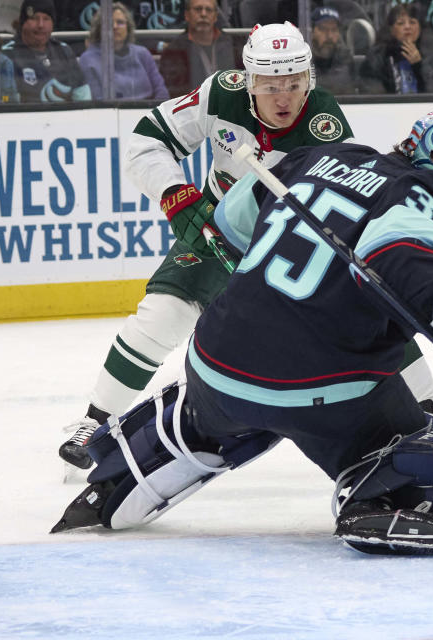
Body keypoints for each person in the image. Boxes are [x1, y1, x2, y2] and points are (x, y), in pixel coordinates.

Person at [51, 102, 433, 556]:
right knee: (428, 448)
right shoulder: (422, 195)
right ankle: (382, 493)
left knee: (209, 407)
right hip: (323, 397)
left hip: (215, 366)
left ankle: (135, 462)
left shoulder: (319, 156)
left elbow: (230, 226)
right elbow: (403, 256)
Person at [56, 21, 354, 472]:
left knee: (353, 322)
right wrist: (178, 196)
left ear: (308, 80)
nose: (283, 98)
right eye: (271, 85)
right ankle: (97, 420)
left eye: (294, 85)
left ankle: (426, 410)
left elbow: (344, 205)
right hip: (216, 230)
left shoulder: (325, 126)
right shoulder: (222, 94)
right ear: (249, 80)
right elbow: (147, 140)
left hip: (284, 248)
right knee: (161, 316)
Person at [1, 0, 92, 102]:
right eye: (34, 18)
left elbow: (82, 94)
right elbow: (6, 100)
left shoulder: (64, 50)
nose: (40, 25)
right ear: (23, 23)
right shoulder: (7, 54)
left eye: (46, 19)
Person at [78, 3, 170, 100]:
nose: (115, 26)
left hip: (149, 110)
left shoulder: (143, 53)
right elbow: (98, 102)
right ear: (99, 29)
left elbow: (161, 91)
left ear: (128, 27)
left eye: (120, 22)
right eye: (109, 23)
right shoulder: (88, 59)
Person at [359, 1, 433, 94]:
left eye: (412, 22)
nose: (407, 27)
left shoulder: (430, 56)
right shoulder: (377, 56)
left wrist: (419, 66)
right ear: (391, 29)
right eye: (401, 23)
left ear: (420, 28)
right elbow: (374, 96)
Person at [158, 0, 236, 97]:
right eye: (198, 9)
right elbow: (174, 92)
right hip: (191, 107)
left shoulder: (233, 45)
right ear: (187, 15)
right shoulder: (173, 51)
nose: (203, 14)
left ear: (216, 17)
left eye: (208, 10)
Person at [309, 6, 356, 95]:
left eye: (334, 30)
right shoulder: (302, 60)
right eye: (323, 29)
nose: (330, 36)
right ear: (311, 32)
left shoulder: (346, 60)